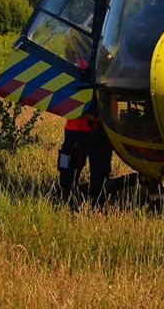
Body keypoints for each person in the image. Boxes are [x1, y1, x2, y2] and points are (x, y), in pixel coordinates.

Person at [57, 32, 113, 203]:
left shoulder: (103, 66)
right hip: (87, 129)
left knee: (88, 169)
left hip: (92, 129)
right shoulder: (102, 66)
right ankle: (70, 197)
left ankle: (69, 197)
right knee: (75, 167)